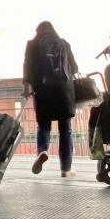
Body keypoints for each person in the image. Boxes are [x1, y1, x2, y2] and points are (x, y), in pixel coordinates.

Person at [23, 21, 78, 178]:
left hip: (43, 90)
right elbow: (74, 68)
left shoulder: (33, 44)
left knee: (44, 125)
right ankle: (66, 169)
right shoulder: (63, 43)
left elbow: (27, 66)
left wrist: (27, 84)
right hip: (64, 92)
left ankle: (43, 151)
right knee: (65, 130)